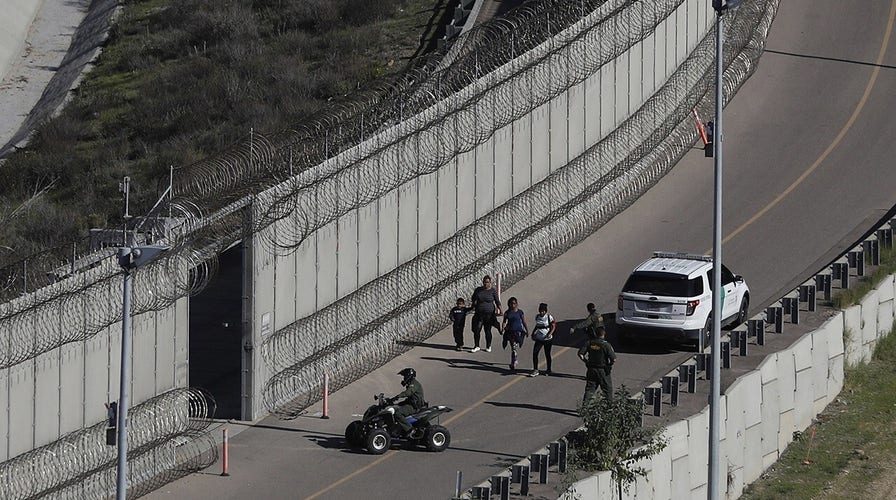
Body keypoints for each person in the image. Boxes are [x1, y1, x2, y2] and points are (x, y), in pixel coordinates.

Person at [574, 305, 616, 405]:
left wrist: (586, 362)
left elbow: (580, 354)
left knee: (590, 389)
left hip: (591, 369)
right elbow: (614, 359)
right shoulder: (606, 345)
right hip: (602, 369)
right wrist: (609, 365)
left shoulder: (589, 343)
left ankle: (585, 407)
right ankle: (609, 407)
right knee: (607, 389)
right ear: (603, 334)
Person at [389, 368, 425, 435]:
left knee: (398, 413)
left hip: (414, 407)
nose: (404, 378)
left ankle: (410, 429)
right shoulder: (410, 384)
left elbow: (408, 393)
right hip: (410, 404)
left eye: (405, 376)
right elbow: (410, 398)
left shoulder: (414, 384)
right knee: (395, 407)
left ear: (409, 376)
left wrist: (397, 397)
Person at [470, 275, 501, 352]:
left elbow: (497, 301)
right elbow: (473, 299)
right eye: (484, 282)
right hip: (479, 314)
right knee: (477, 329)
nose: (485, 284)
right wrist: (473, 305)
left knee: (487, 330)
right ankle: (476, 346)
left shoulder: (492, 291)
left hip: (489, 314)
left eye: (487, 282)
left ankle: (488, 346)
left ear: (490, 283)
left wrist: (501, 310)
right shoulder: (478, 290)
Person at [529, 302, 557, 377]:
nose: (541, 312)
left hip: (547, 339)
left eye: (543, 311)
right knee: (535, 353)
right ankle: (535, 370)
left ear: (545, 311)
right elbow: (537, 326)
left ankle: (548, 369)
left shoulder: (549, 317)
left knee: (547, 354)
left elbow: (554, 326)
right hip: (539, 339)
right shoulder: (537, 317)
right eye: (540, 311)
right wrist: (533, 333)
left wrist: (550, 333)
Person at [501, 297, 528, 372]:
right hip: (510, 332)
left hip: (518, 332)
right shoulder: (507, 313)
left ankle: (514, 360)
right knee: (513, 348)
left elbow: (523, 321)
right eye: (511, 304)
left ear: (516, 304)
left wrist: (526, 330)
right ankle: (513, 362)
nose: (512, 305)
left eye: (514, 303)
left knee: (514, 347)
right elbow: (504, 322)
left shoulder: (520, 312)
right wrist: (503, 328)